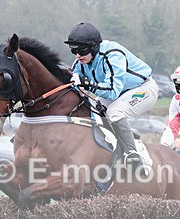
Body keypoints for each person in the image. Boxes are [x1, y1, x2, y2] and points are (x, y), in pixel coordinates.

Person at [65, 21, 159, 170]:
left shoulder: (112, 55)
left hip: (143, 89)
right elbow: (73, 78)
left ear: (94, 47)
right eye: (73, 51)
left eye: (82, 51)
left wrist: (87, 83)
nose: (77, 55)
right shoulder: (80, 61)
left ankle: (133, 152)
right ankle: (116, 145)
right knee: (93, 108)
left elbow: (113, 91)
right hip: (119, 94)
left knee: (115, 112)